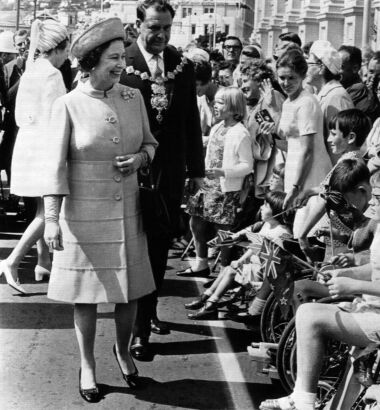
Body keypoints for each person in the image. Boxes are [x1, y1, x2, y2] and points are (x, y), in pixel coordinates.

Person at [42, 17, 158, 402]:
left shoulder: (134, 97)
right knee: (87, 296)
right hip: (83, 215)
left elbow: (152, 144)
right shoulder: (68, 105)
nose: (121, 64)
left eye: (122, 56)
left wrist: (141, 158)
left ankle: (123, 353)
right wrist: (53, 220)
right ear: (91, 62)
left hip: (127, 212)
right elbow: (54, 168)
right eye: (113, 58)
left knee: (129, 293)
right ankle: (88, 365)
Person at [119, 0, 204, 361]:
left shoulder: (181, 66)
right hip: (127, 170)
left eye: (167, 28)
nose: (161, 35)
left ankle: (143, 324)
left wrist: (196, 172)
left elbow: (190, 124)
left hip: (168, 172)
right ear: (138, 24)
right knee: (130, 244)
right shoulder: (120, 63)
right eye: (154, 27)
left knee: (157, 244)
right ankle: (135, 314)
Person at [260, 166, 379, 410]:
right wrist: (345, 273)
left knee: (310, 316)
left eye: (347, 204)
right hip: (369, 308)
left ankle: (303, 399)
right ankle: (304, 396)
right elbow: (376, 269)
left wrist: (352, 284)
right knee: (309, 311)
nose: (348, 212)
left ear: (362, 190)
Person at [0, 19, 69, 293]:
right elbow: (58, 117)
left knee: (41, 211)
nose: (67, 56)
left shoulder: (32, 69)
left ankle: (43, 261)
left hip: (28, 147)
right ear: (57, 49)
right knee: (49, 213)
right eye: (65, 50)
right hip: (44, 149)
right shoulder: (52, 75)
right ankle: (14, 259)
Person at [179, 87, 253, 278]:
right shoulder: (217, 127)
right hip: (207, 186)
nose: (215, 105)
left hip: (224, 189)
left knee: (223, 231)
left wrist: (224, 172)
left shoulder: (240, 133)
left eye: (221, 102)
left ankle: (224, 270)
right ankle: (201, 263)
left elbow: (247, 165)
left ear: (234, 107)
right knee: (195, 223)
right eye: (216, 101)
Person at [185, 190, 292, 320]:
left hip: (265, 272)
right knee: (230, 268)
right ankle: (207, 297)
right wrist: (241, 260)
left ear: (276, 210)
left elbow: (271, 258)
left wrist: (242, 261)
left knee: (230, 271)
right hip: (255, 265)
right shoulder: (266, 225)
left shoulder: (280, 233)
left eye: (266, 205)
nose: (261, 207)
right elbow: (255, 246)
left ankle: (210, 304)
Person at [295, 110, 372, 261]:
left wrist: (302, 235)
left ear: (350, 137)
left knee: (332, 272)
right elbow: (328, 189)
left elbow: (326, 198)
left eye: (333, 134)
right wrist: (309, 191)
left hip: (340, 236)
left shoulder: (346, 164)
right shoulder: (354, 161)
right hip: (343, 233)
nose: (329, 139)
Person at [276, 49, 332, 239]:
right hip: (295, 171)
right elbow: (290, 143)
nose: (286, 83)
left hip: (312, 172)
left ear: (301, 76)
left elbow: (308, 151)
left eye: (291, 78)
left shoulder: (306, 102)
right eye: (282, 77)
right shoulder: (288, 103)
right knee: (299, 231)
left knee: (308, 232)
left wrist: (296, 187)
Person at [306, 40, 354, 164]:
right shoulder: (321, 94)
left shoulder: (336, 97)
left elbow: (341, 147)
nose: (305, 68)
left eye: (309, 63)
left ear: (321, 67)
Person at [338, 45, 380, 123]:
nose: (373, 77)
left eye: (341, 67)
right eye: (370, 72)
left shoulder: (359, 90)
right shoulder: (345, 87)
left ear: (355, 68)